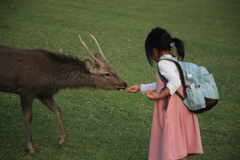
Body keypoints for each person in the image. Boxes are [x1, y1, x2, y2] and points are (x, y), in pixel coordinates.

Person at [127, 27, 203, 160]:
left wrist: (159, 96)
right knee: (179, 149)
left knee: (172, 148)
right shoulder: (174, 60)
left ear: (154, 49)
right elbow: (166, 83)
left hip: (173, 110)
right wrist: (141, 87)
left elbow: (175, 82)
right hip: (183, 108)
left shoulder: (163, 63)